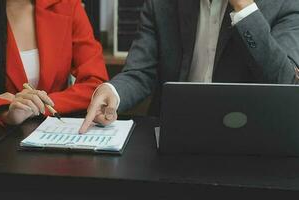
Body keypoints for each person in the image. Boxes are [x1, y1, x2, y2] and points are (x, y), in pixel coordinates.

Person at [79, 0, 299, 133]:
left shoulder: (284, 4)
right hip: (173, 135)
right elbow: (140, 72)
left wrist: (244, 8)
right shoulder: (162, 4)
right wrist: (112, 92)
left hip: (248, 140)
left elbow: (285, 83)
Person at [0, 0, 108, 126]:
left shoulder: (66, 4)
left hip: (53, 135)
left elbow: (95, 84)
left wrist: (41, 106)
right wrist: (3, 109)